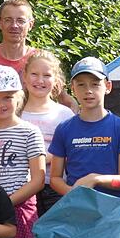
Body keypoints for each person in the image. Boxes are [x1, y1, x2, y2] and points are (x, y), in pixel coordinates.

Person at [0, 0, 78, 112]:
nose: (14, 25)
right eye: (8, 20)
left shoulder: (40, 60)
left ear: (30, 24)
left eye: (21, 21)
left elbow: (64, 99)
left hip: (27, 127)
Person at [0, 65, 45, 238]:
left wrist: (6, 203)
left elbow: (38, 180)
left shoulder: (29, 132)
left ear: (19, 97)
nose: (1, 104)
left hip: (20, 211)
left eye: (7, 97)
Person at [49, 57, 120, 198]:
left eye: (95, 84)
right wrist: (73, 193)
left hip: (112, 209)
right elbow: (55, 178)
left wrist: (95, 179)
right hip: (76, 209)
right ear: (72, 88)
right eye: (81, 85)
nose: (88, 90)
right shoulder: (64, 128)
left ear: (107, 87)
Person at [20, 50, 75, 214]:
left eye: (47, 75)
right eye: (34, 74)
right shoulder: (15, 113)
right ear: (25, 76)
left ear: (56, 79)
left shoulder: (65, 114)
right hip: (23, 188)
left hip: (55, 187)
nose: (40, 80)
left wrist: (41, 158)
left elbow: (71, 150)